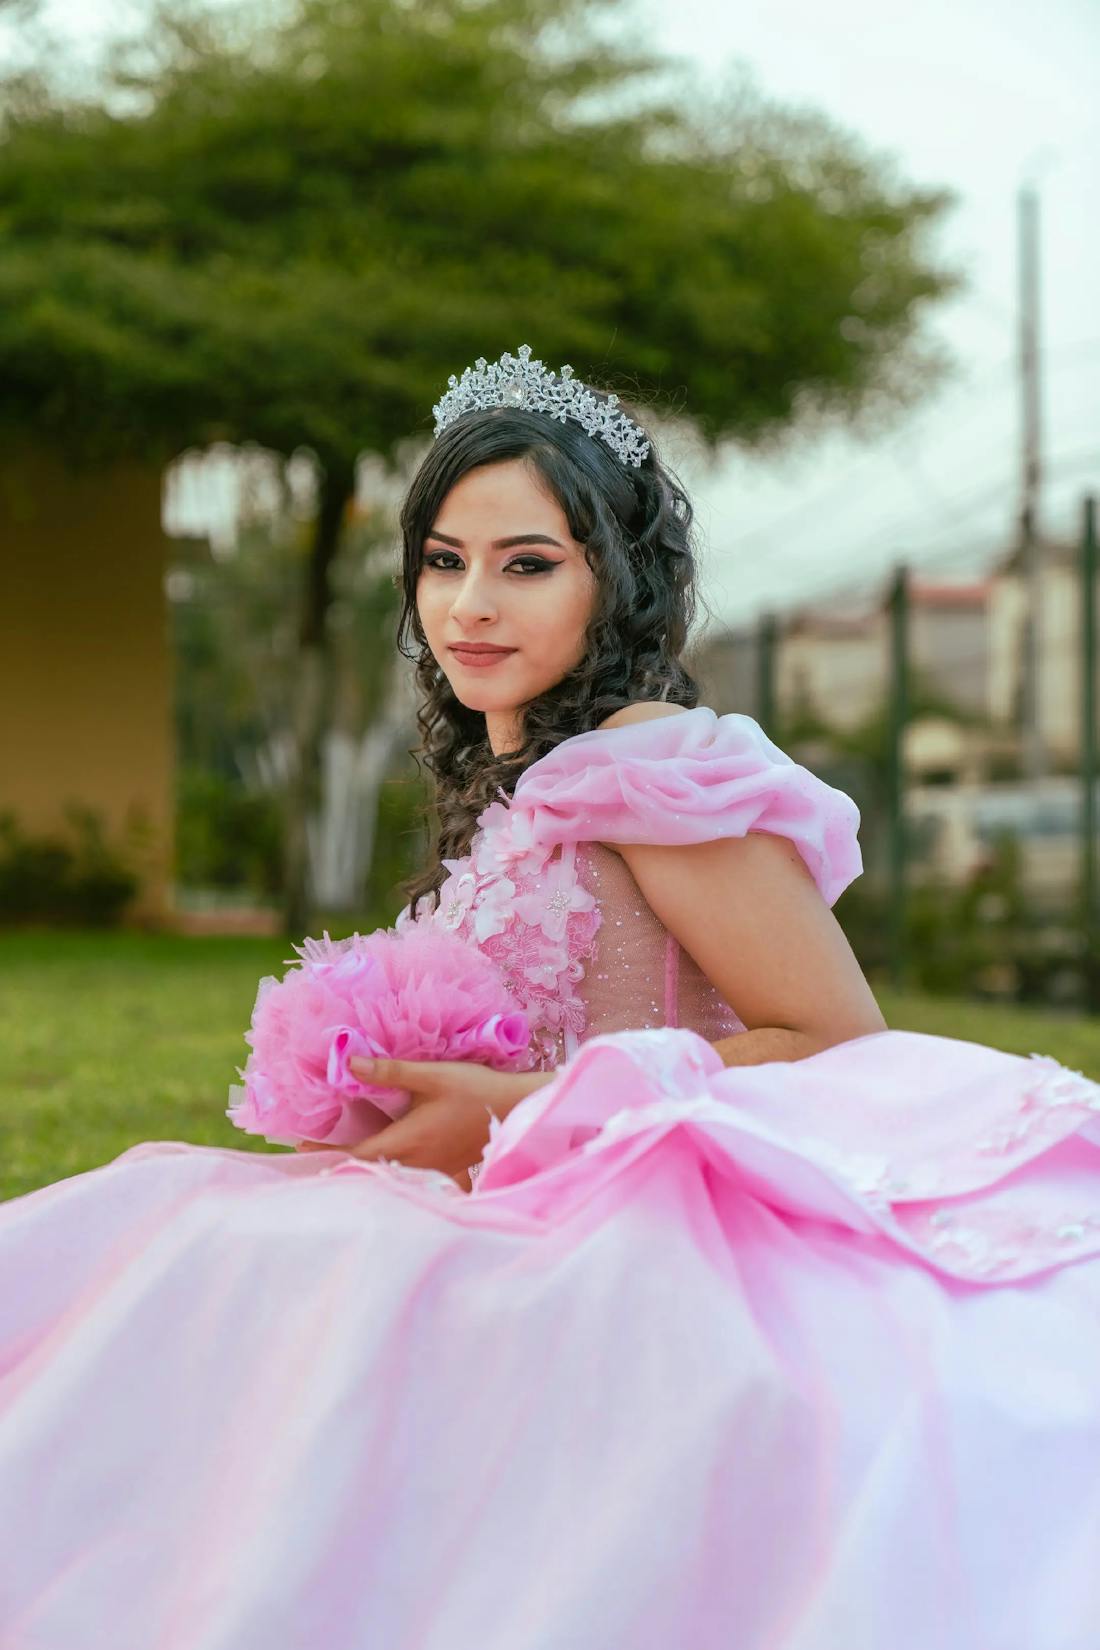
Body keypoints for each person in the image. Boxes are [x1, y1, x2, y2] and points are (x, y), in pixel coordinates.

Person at [1, 345, 1098, 1650]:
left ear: (612, 579)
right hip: (510, 1180)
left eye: (527, 562)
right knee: (181, 1235)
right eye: (444, 560)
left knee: (256, 1272)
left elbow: (836, 1042)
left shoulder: (651, 769)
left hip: (631, 1211)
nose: (471, 602)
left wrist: (526, 1107)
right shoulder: (538, 776)